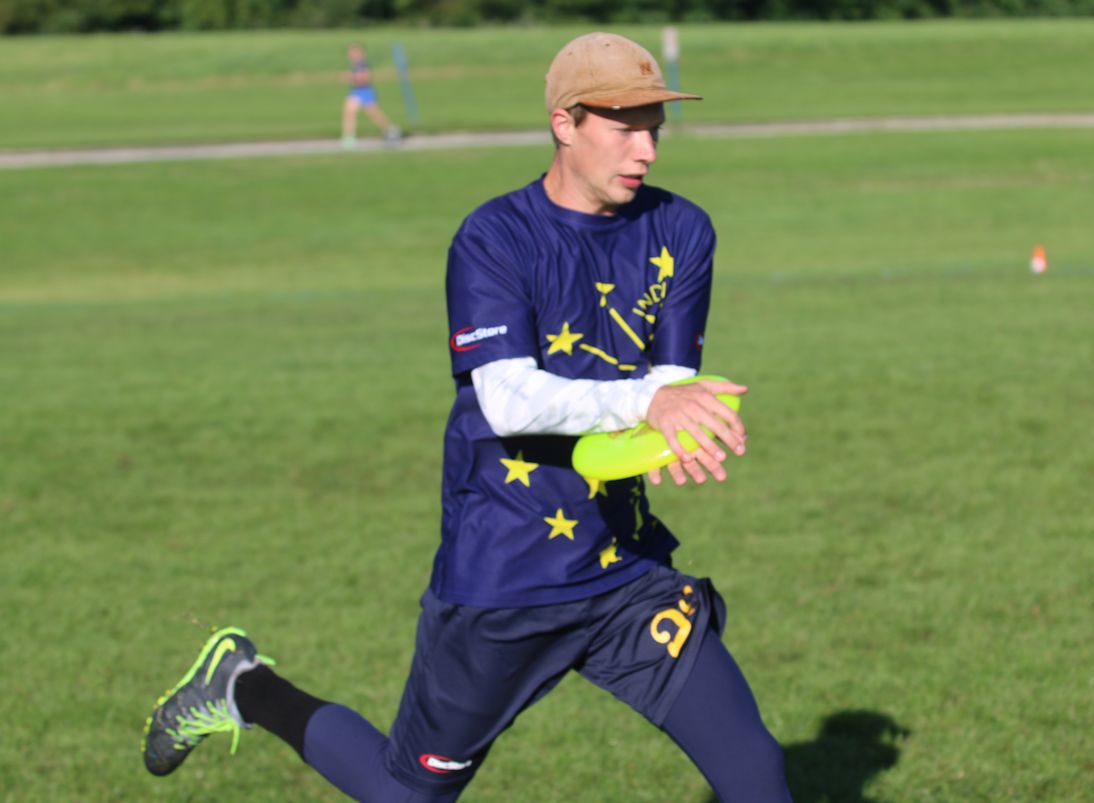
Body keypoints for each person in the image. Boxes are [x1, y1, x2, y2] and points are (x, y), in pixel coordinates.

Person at [142, 32, 792, 803]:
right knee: (405, 794)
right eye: (624, 129)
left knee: (755, 771)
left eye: (655, 128)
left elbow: (670, 383)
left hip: (624, 567)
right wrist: (649, 405)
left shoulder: (682, 228)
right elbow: (509, 399)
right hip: (506, 571)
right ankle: (243, 685)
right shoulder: (495, 237)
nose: (646, 150)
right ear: (564, 122)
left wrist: (683, 427)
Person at [342, 42, 401, 148]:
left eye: (354, 52)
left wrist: (352, 78)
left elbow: (366, 78)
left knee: (373, 113)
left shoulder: (362, 65)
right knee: (349, 111)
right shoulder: (355, 65)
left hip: (365, 91)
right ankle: (349, 138)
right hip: (356, 91)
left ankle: (391, 129)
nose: (351, 55)